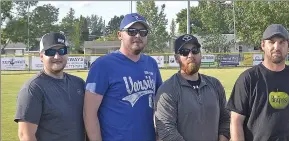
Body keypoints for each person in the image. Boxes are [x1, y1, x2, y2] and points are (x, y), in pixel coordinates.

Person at [83, 13, 163, 141]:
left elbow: (160, 107)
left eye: (143, 32)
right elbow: (89, 114)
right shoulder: (103, 65)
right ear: (120, 35)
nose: (138, 35)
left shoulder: (151, 64)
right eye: (132, 31)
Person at [227, 24, 289, 141]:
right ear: (262, 45)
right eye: (271, 42)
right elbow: (236, 121)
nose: (277, 46)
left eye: (282, 42)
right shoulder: (248, 78)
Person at [154, 34, 230, 141]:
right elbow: (167, 131)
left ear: (200, 54)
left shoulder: (215, 84)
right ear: (176, 58)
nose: (190, 55)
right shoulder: (168, 90)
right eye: (184, 52)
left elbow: (226, 118)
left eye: (195, 50)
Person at [14, 32, 86, 141]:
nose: (57, 56)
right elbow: (26, 136)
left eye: (62, 51)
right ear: (41, 56)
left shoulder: (79, 83)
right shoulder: (33, 89)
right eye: (51, 52)